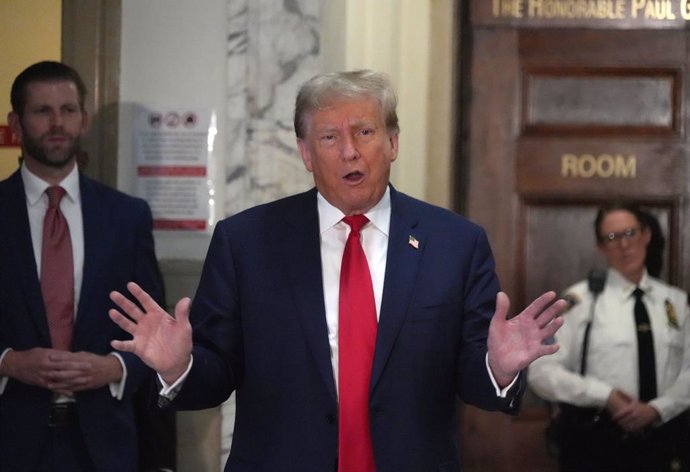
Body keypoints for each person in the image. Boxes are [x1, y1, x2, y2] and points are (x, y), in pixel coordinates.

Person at [109, 69, 566, 472]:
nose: (349, 152)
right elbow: (216, 373)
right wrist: (178, 367)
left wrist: (499, 368)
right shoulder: (246, 242)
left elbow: (474, 379)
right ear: (306, 153)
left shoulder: (456, 244)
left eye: (365, 132)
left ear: (392, 142)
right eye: (329, 137)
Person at [0, 61, 167, 472]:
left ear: (84, 119)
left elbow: (155, 332)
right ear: (16, 123)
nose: (57, 123)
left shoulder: (127, 217)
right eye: (42, 111)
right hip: (9, 440)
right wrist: (7, 362)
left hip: (104, 445)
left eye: (68, 110)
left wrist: (114, 368)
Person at [528, 201, 690, 472]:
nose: (624, 245)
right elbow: (541, 371)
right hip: (595, 444)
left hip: (664, 443)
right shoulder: (580, 302)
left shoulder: (675, 302)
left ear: (646, 234)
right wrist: (604, 395)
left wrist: (658, 409)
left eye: (630, 233)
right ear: (601, 247)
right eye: (612, 238)